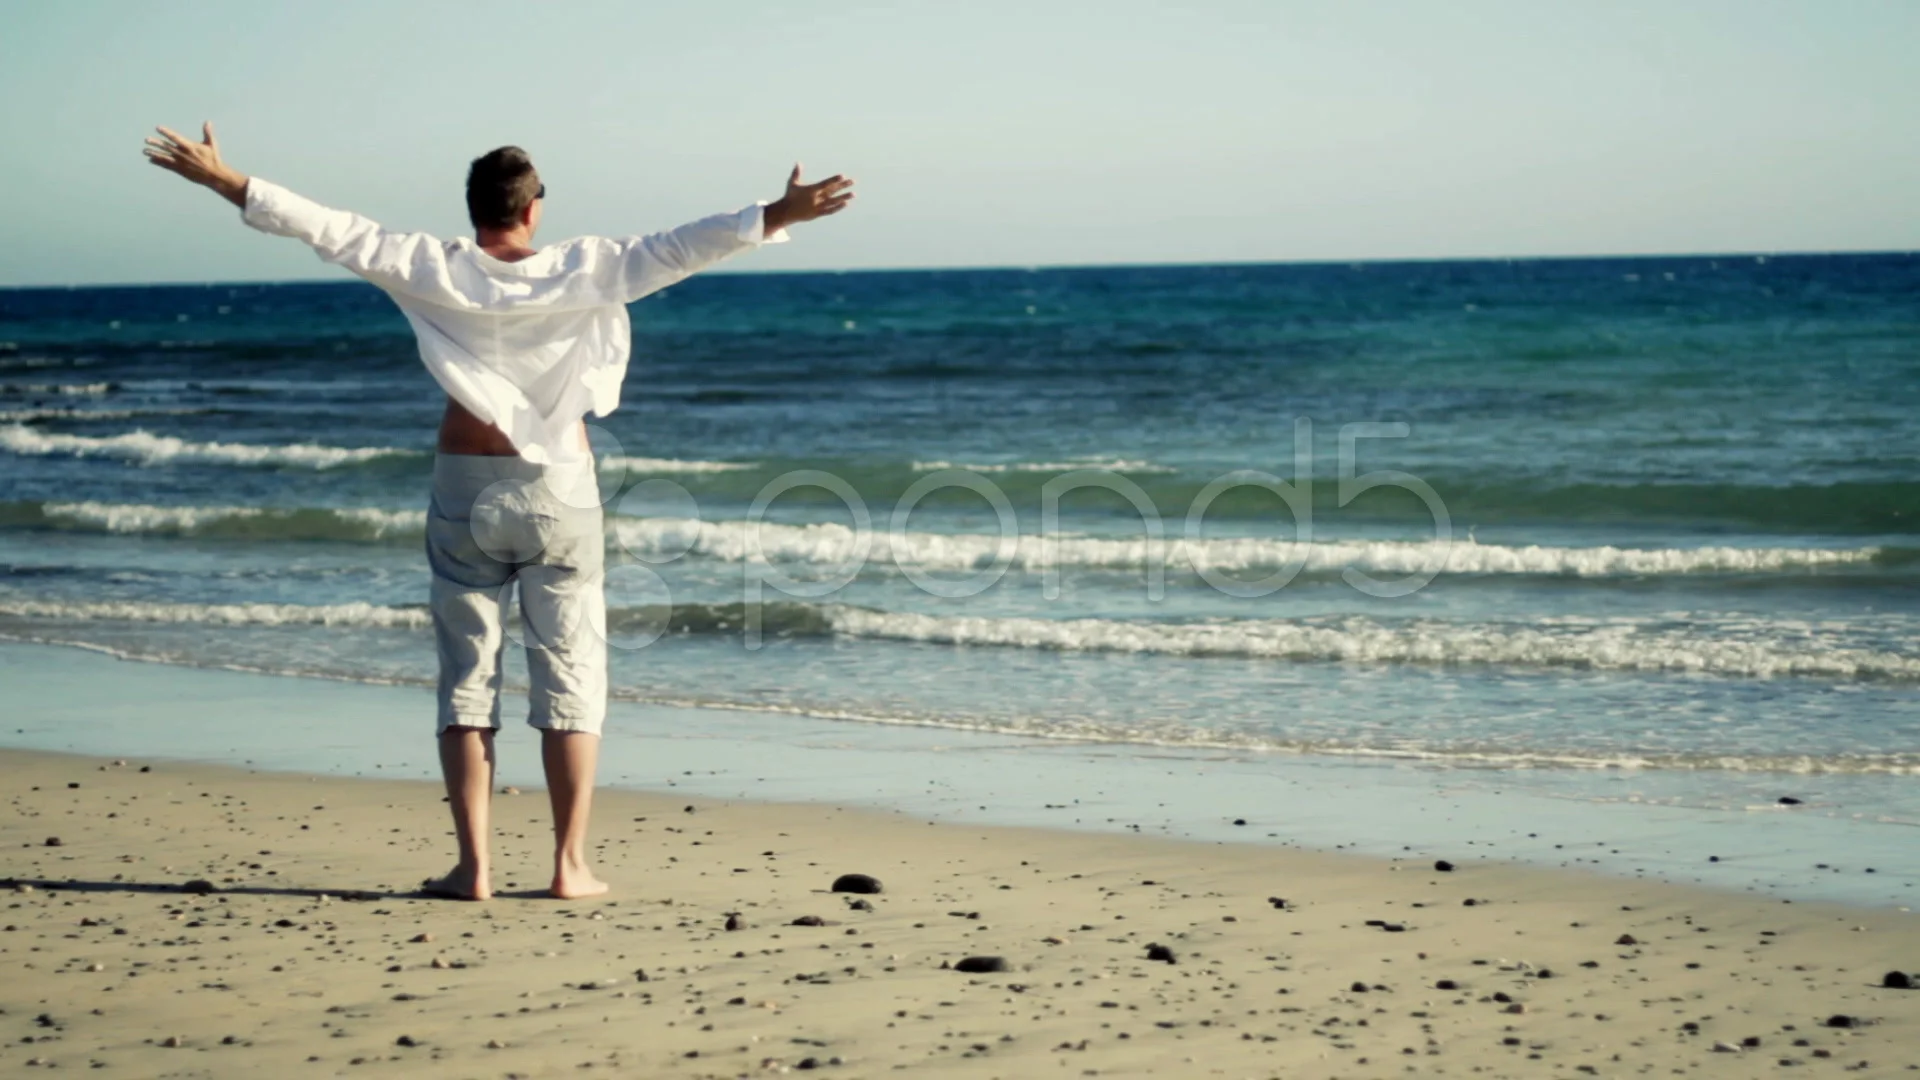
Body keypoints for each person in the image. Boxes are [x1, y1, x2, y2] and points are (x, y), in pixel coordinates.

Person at [142, 122, 854, 900]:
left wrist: (224, 179)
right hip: (559, 488)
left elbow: (330, 229)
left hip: (464, 483)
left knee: (467, 677)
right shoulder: (589, 267)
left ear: (474, 208)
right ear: (534, 208)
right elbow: (688, 245)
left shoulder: (430, 266)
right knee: (572, 675)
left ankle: (474, 868)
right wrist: (781, 213)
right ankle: (567, 866)